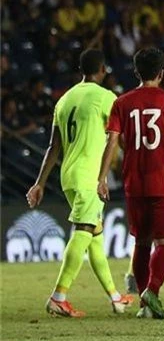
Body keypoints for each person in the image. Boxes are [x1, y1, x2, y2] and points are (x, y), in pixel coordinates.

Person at [26, 49, 134, 317]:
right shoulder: (106, 97)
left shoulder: (64, 100)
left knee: (94, 236)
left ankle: (115, 297)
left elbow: (53, 146)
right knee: (84, 230)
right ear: (103, 70)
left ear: (81, 70)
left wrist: (40, 183)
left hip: (68, 175)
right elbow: (117, 138)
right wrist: (106, 175)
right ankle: (58, 297)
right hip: (89, 176)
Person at [97, 47, 164, 319]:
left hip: (134, 181)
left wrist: (102, 177)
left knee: (141, 242)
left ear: (136, 72)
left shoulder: (122, 103)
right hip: (163, 180)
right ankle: (152, 291)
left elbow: (113, 141)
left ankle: (145, 303)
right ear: (162, 73)